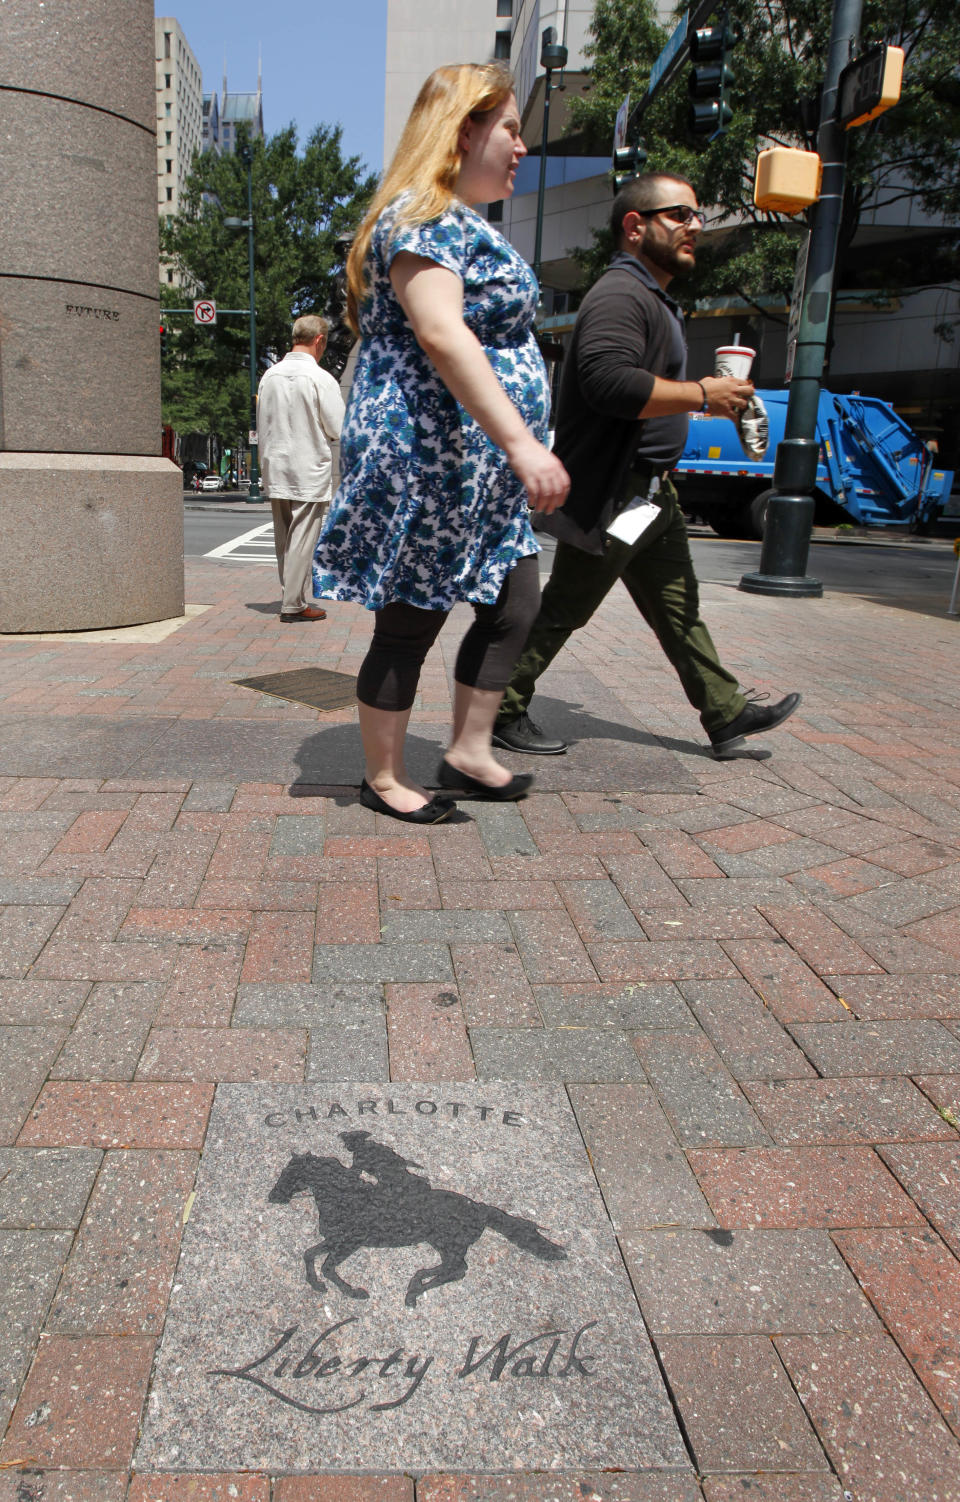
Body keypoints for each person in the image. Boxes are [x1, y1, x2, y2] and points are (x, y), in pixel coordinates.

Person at [312, 63, 569, 823]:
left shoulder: (462, 220)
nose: (523, 146)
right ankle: (384, 778)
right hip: (429, 458)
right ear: (463, 130)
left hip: (473, 465)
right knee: (411, 619)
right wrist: (524, 445)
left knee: (514, 602)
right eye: (512, 129)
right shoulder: (423, 216)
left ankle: (469, 749)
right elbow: (440, 331)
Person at [493, 172, 800, 762]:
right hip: (620, 493)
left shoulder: (650, 298)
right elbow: (610, 383)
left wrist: (702, 405)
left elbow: (641, 395)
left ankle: (725, 710)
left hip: (652, 498)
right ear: (635, 227)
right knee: (566, 607)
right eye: (679, 215)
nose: (695, 227)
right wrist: (702, 394)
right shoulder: (620, 295)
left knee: (679, 607)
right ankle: (499, 706)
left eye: (697, 216)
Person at [257, 314, 345, 623]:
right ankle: (293, 604)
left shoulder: (269, 376)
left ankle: (292, 596)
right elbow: (337, 427)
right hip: (307, 465)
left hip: (275, 463)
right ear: (319, 340)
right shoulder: (320, 378)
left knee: (284, 537)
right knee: (303, 537)